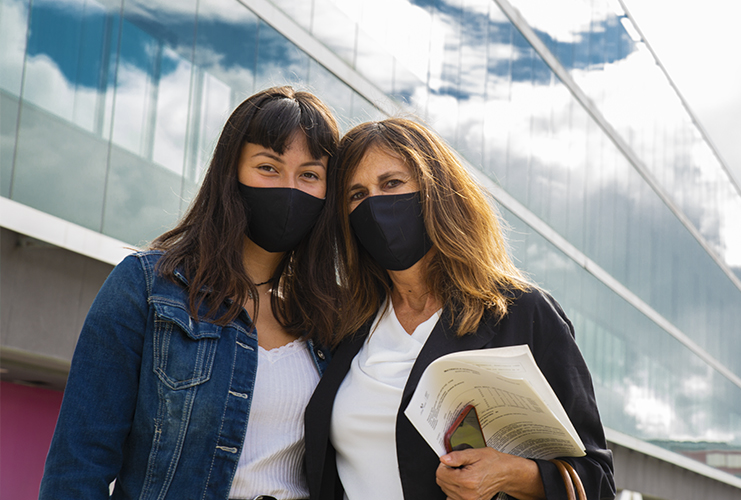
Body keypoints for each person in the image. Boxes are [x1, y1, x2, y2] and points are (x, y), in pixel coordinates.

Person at [39, 86, 340, 500]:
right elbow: (76, 471)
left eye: (309, 175)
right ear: (230, 173)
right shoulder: (145, 288)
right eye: (268, 167)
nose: (289, 188)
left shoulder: (330, 321)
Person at [304, 118, 616, 500]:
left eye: (392, 184)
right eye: (356, 195)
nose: (374, 205)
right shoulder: (345, 324)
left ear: (437, 191)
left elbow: (596, 480)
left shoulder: (522, 313)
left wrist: (512, 474)